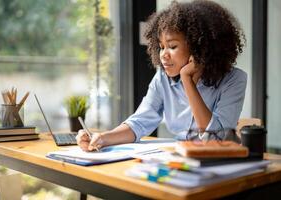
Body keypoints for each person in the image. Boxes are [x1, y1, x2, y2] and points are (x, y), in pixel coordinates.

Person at [76, 0, 247, 151]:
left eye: (172, 46)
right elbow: (139, 122)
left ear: (198, 47)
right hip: (179, 160)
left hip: (218, 166)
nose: (163, 54)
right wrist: (102, 138)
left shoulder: (234, 80)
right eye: (161, 46)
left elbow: (216, 139)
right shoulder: (162, 77)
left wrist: (187, 80)